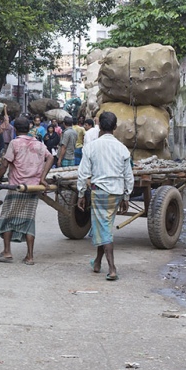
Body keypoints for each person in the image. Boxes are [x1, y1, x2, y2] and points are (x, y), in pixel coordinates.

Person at [77, 111, 134, 281]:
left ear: (99, 126)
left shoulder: (91, 147)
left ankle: (112, 268)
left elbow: (83, 173)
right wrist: (126, 196)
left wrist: (81, 193)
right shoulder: (122, 148)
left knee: (103, 227)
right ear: (115, 127)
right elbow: (128, 176)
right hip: (116, 192)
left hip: (100, 191)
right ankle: (97, 262)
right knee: (105, 226)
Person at [0, 116, 54, 265]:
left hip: (16, 187)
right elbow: (51, 157)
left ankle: (7, 252)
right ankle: (30, 256)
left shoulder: (15, 143)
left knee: (8, 218)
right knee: (29, 220)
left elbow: (5, 164)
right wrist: (43, 177)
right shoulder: (38, 144)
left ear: (15, 129)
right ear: (30, 127)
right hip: (33, 188)